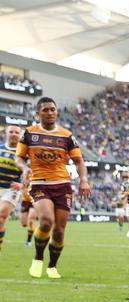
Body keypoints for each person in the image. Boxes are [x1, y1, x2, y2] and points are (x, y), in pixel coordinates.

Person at [16, 97, 91, 279]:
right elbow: (19, 158)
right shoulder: (28, 134)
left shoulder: (66, 136)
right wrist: (25, 168)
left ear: (56, 112)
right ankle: (38, 258)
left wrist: (84, 179)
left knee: (59, 230)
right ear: (38, 113)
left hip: (62, 185)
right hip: (40, 183)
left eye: (52, 110)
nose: (50, 113)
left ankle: (52, 266)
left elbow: (79, 161)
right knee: (47, 221)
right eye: (45, 110)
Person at [0, 125, 24, 252]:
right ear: (6, 133)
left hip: (11, 190)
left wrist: (22, 185)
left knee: (1, 217)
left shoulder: (23, 154)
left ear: (20, 135)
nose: (14, 134)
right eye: (11, 132)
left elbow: (31, 174)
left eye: (16, 132)